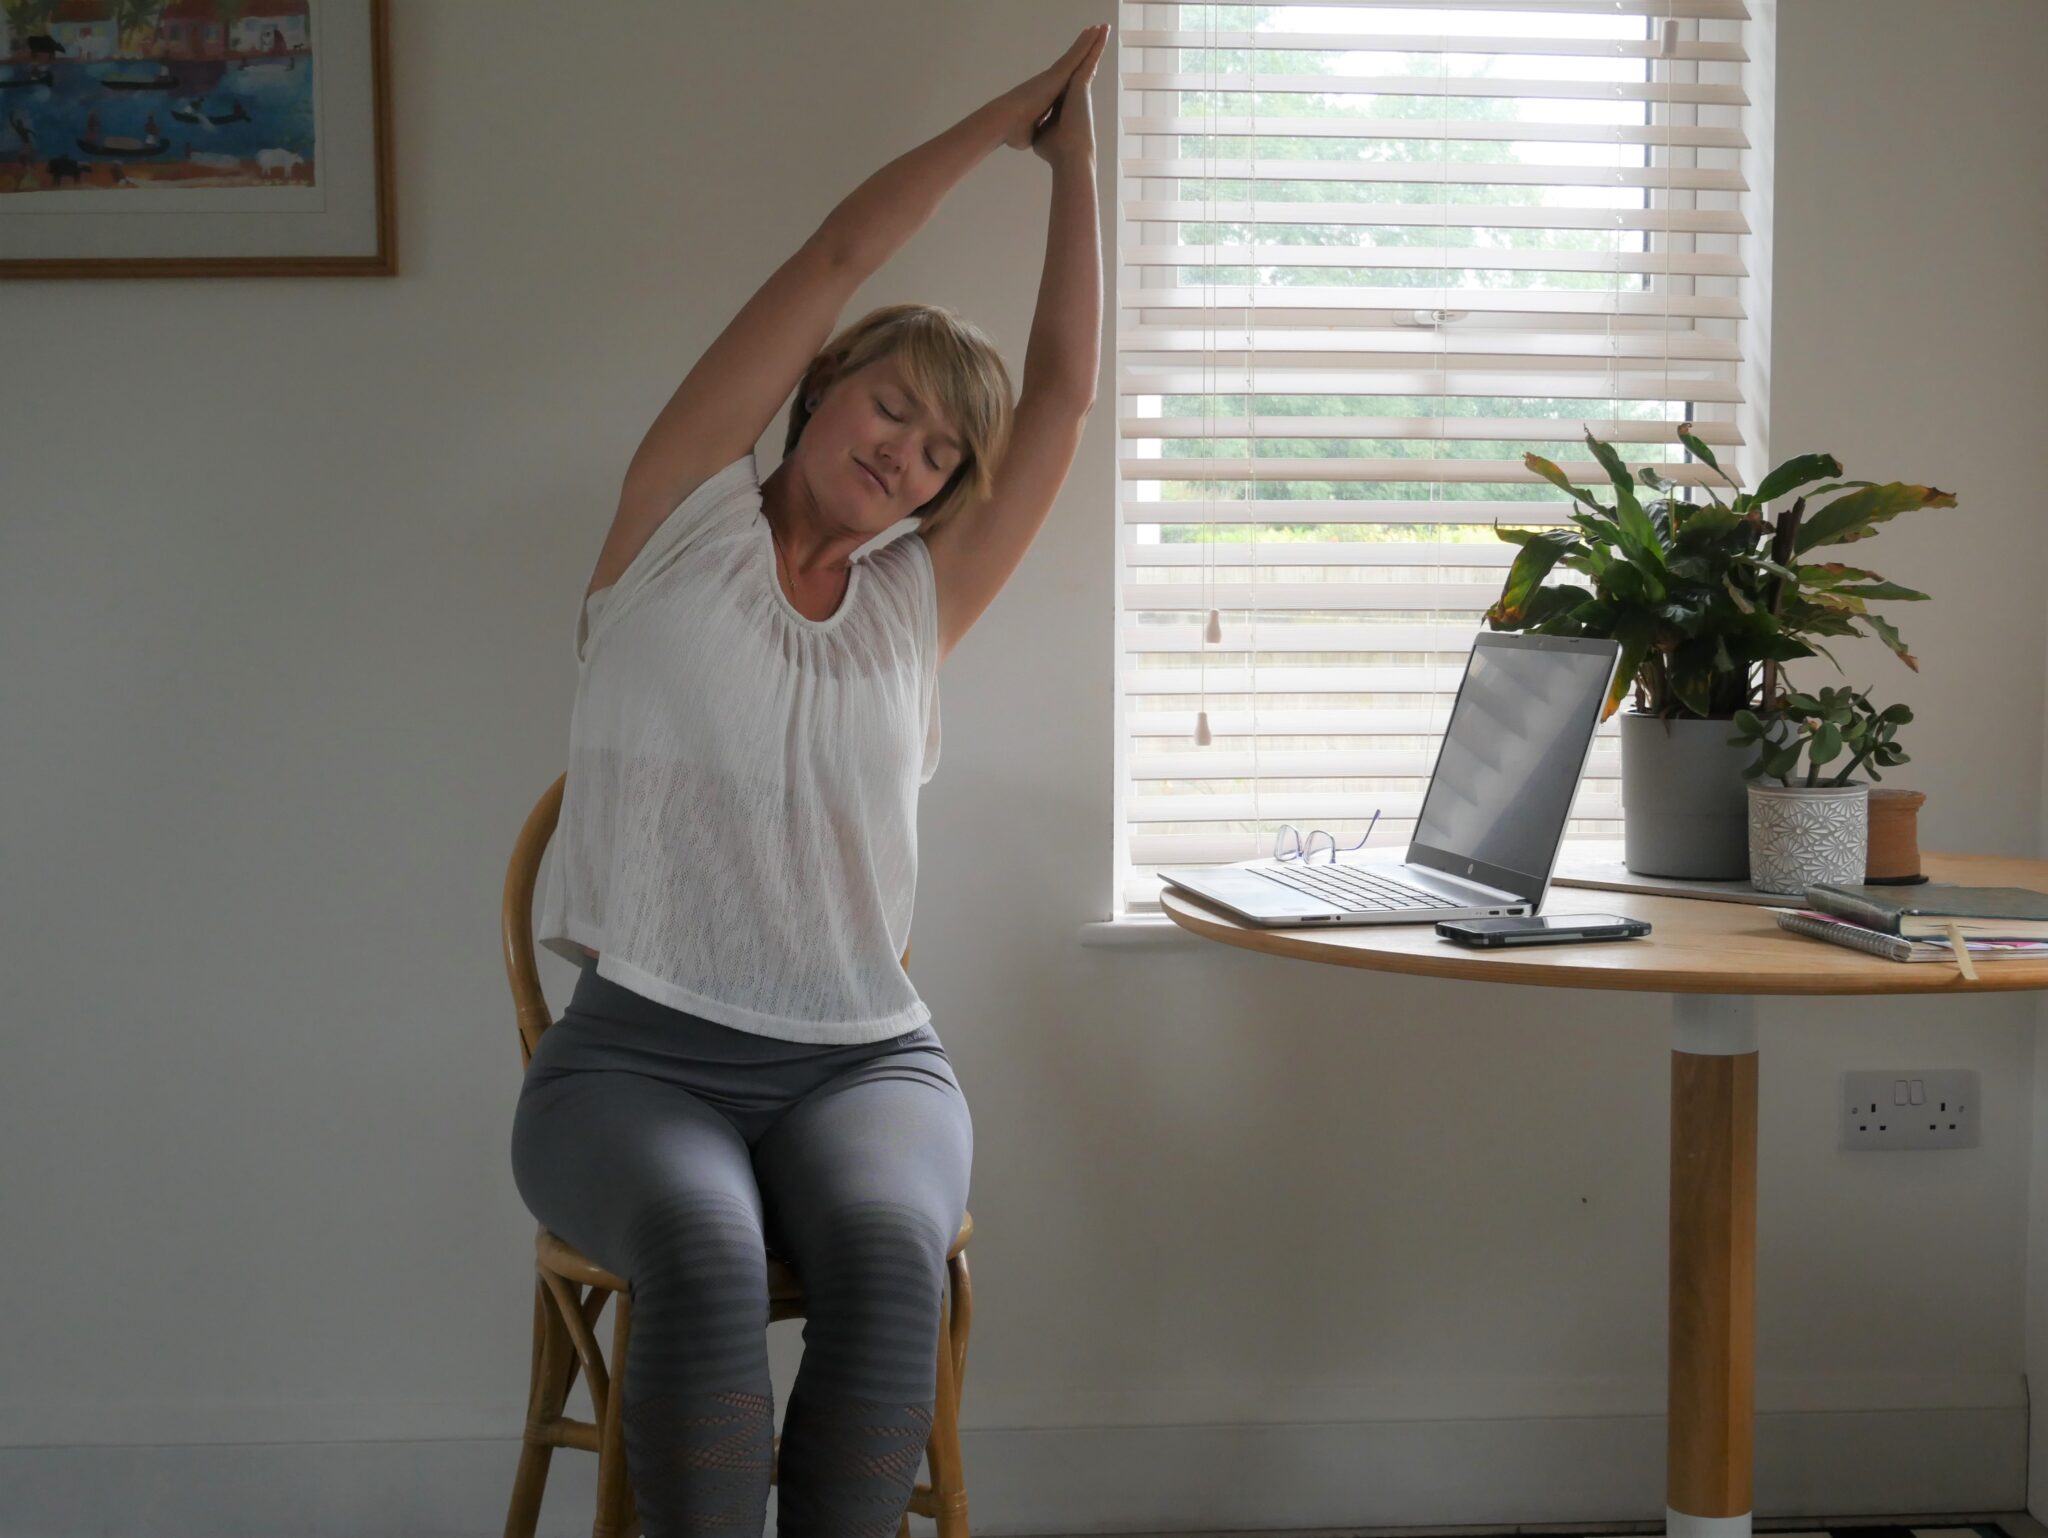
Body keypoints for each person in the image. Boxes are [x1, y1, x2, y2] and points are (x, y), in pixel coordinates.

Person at [509, 22, 1106, 1537]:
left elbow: (1060, 400)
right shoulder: (677, 523)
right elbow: (841, 247)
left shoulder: (918, 603)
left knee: (894, 1253)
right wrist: (1002, 127)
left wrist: (1079, 167)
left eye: (937, 454)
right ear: (824, 388)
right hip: (637, 1057)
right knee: (704, 1257)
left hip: (862, 1060)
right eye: (889, 407)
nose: (906, 452)